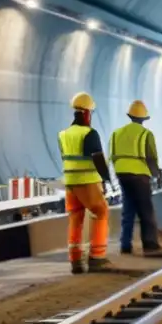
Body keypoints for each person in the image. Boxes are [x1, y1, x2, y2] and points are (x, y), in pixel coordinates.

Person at [59, 92, 113, 274]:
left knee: (76, 218)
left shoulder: (63, 135)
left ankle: (75, 261)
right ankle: (97, 257)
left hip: (70, 184)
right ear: (87, 113)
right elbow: (98, 159)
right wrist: (106, 180)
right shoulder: (90, 133)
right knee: (101, 211)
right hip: (87, 182)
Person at [110, 99, 162, 256]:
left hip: (122, 174)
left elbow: (113, 155)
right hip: (140, 175)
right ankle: (150, 243)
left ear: (130, 116)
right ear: (143, 119)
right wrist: (157, 174)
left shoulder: (117, 133)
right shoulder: (146, 134)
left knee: (128, 210)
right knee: (145, 210)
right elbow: (151, 157)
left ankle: (125, 245)